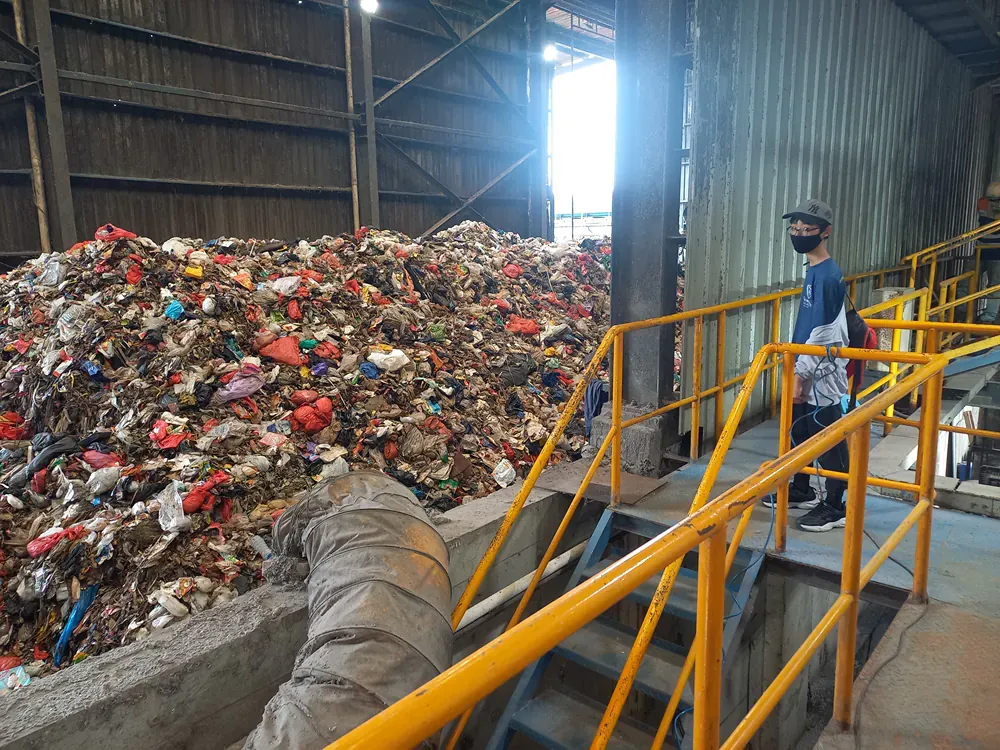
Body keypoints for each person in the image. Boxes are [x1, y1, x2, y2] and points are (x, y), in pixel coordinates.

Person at [765, 199, 851, 532]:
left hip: (820, 370)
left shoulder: (828, 276)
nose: (798, 234)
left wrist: (801, 375)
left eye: (806, 229)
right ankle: (800, 489)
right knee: (800, 429)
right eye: (794, 228)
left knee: (828, 435)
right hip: (805, 363)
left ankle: (836, 504)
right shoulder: (814, 270)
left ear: (825, 232)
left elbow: (824, 332)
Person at [976, 181, 1000, 323]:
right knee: (966, 282)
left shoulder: (983, 202)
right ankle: (962, 311)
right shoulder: (984, 203)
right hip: (984, 250)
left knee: (995, 285)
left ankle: (989, 317)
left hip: (993, 252)